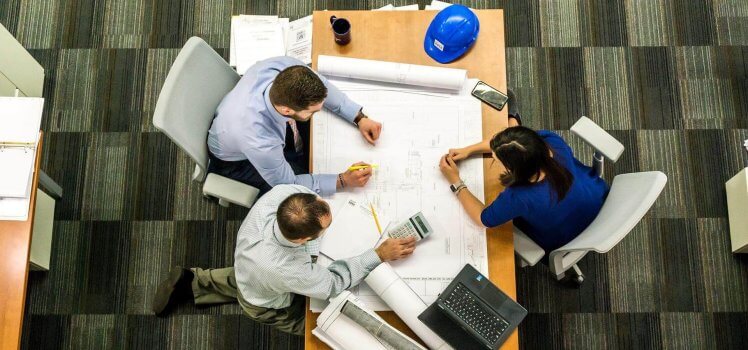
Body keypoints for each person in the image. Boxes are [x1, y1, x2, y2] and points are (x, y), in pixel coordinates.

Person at [152, 184, 416, 335]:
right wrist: (378, 254)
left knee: (246, 277)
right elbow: (332, 284)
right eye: (326, 228)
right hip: (265, 301)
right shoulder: (288, 269)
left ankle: (193, 281)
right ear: (303, 240)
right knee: (317, 325)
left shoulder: (283, 195)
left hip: (249, 265)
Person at [437, 91, 608, 262]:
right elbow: (516, 144)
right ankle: (514, 117)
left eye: (497, 160)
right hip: (598, 199)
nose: (495, 160)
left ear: (514, 169)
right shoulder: (551, 142)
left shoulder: (519, 197)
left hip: (566, 237)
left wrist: (455, 181)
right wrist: (469, 150)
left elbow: (482, 219)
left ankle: (513, 117)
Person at [208, 56, 384, 196]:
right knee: (300, 185)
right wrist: (342, 181)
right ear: (286, 110)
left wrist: (358, 117)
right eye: (313, 111)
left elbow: (323, 86)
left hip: (237, 119)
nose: (319, 112)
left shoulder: (285, 68)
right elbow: (288, 184)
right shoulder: (259, 141)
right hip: (236, 162)